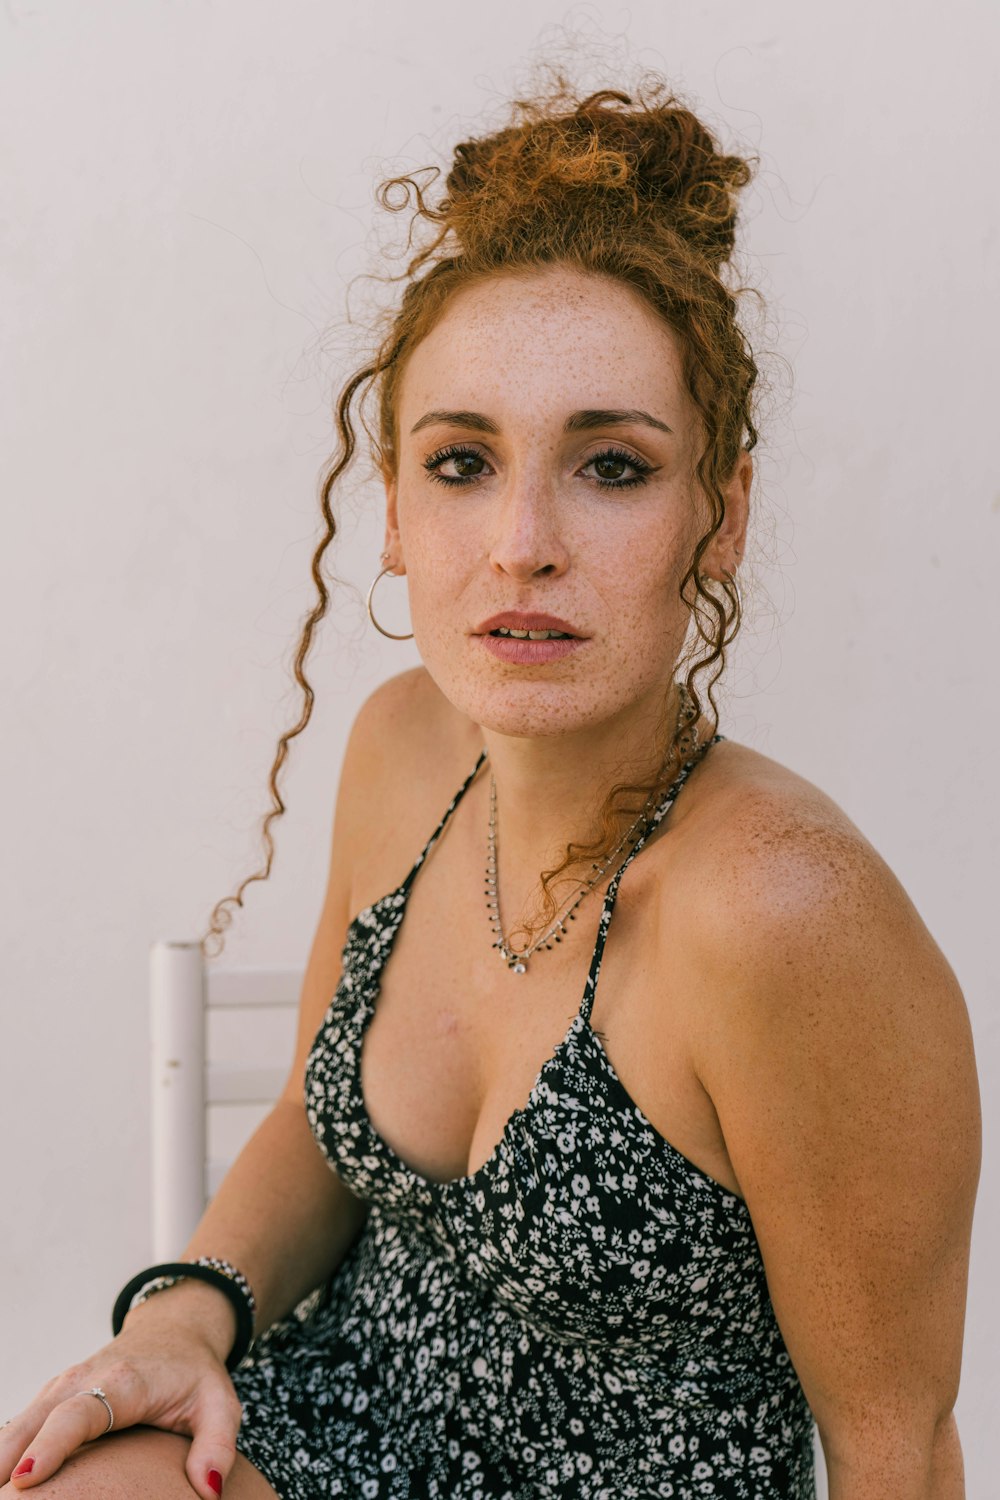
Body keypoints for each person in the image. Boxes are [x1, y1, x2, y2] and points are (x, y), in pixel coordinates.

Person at [1, 72, 981, 1500]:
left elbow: (896, 1450)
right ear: (394, 511)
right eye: (463, 462)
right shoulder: (405, 747)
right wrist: (183, 1319)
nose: (522, 542)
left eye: (612, 467)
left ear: (724, 515)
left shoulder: (782, 915)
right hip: (322, 1434)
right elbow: (312, 1128)